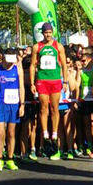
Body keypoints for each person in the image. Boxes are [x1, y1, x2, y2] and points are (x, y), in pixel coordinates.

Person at [30, 22, 68, 161]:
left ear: (53, 33)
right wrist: (33, 83)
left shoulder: (58, 46)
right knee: (43, 108)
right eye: (46, 32)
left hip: (55, 81)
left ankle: (54, 133)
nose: (48, 35)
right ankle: (45, 133)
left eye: (50, 32)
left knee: (54, 108)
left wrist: (65, 81)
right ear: (43, 33)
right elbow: (33, 65)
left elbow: (64, 64)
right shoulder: (37, 47)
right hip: (42, 80)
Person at [0, 48, 24, 171]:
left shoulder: (17, 69)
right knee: (0, 131)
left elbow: (21, 87)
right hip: (0, 103)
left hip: (14, 104)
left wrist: (22, 104)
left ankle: (9, 158)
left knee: (11, 132)